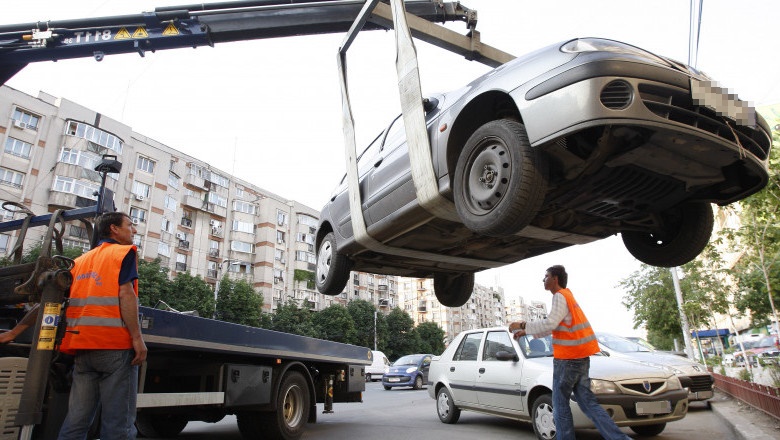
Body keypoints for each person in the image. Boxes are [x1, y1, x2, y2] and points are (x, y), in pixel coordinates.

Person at [510, 265, 630, 440]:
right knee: (589, 404)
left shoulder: (559, 296)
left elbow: (550, 323)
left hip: (567, 360)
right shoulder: (568, 296)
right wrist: (526, 332)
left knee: (559, 405)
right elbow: (556, 325)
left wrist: (522, 325)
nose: (543, 280)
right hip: (580, 358)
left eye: (546, 276)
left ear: (555, 279)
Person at [57, 212, 147, 440]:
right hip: (114, 347)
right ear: (114, 229)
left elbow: (58, 299)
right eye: (130, 225)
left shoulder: (80, 261)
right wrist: (137, 338)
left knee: (76, 422)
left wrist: (16, 332)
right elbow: (126, 295)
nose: (134, 230)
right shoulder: (123, 253)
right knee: (118, 425)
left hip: (82, 348)